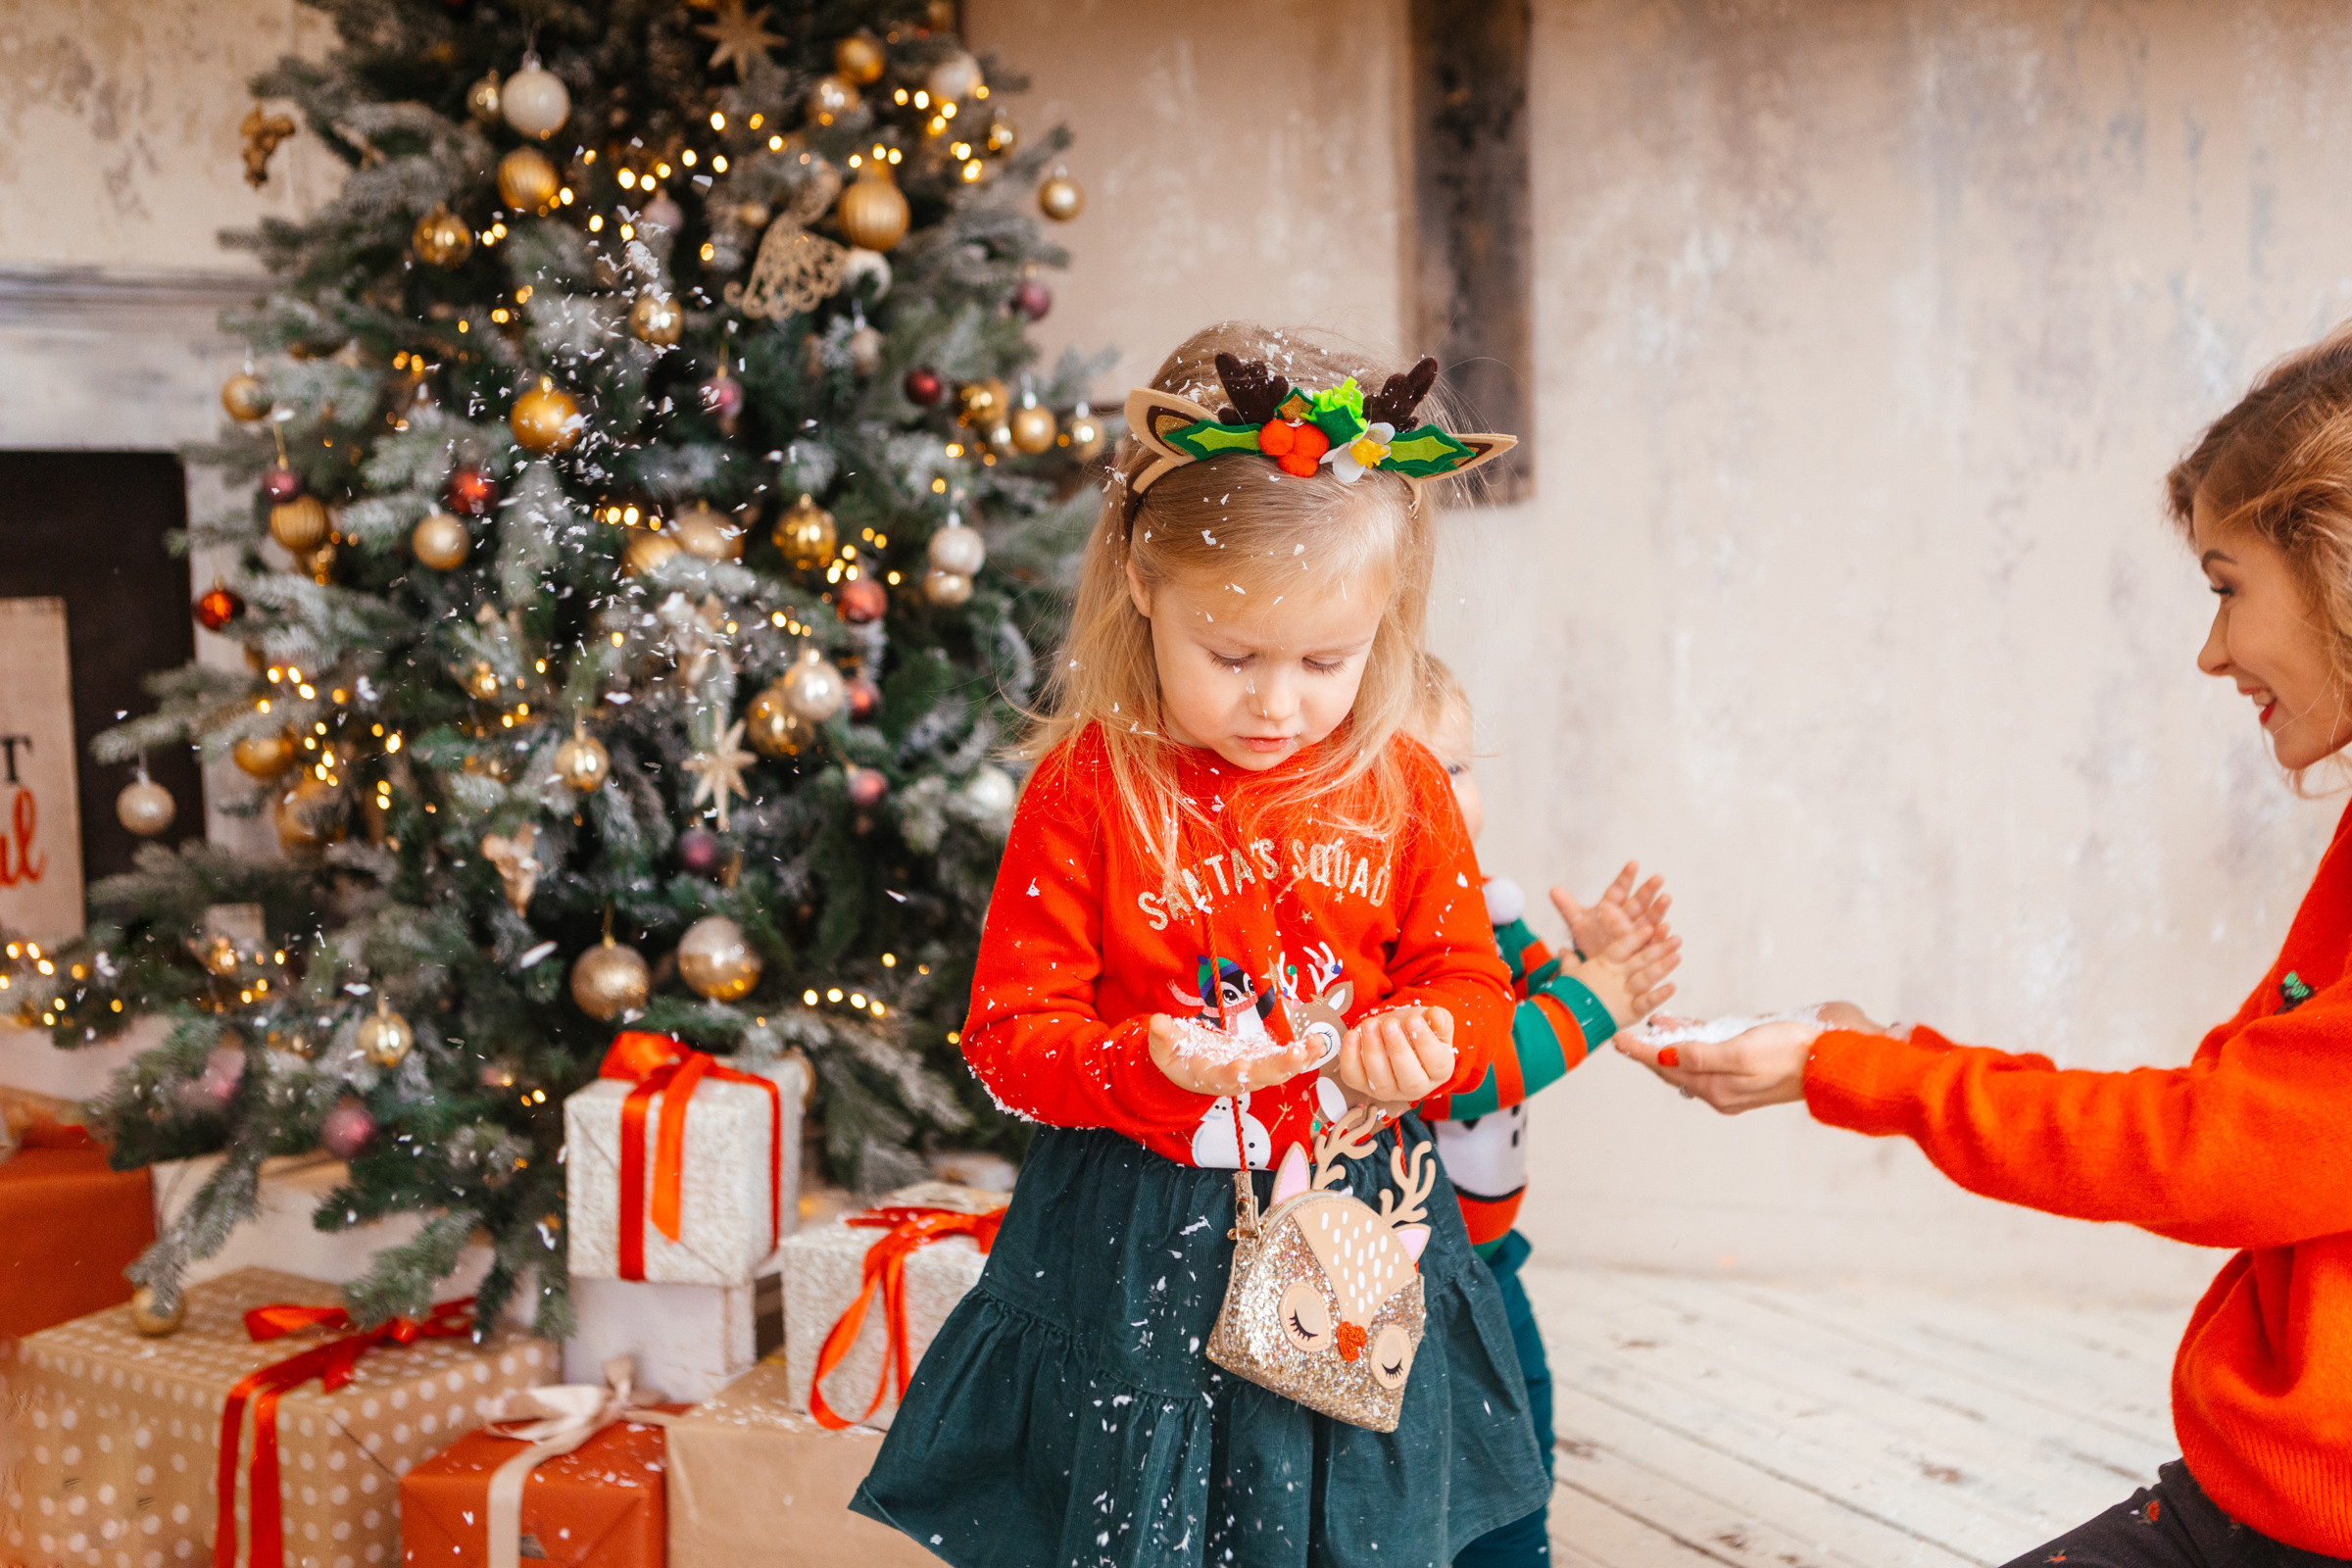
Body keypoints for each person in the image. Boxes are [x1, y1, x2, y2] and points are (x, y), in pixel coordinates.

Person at [1614, 327, 2352, 1566]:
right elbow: (2252, 1112)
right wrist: (1872, 1054)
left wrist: (1853, 1072)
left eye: (2227, 586)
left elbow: (2195, 1149)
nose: (2211, 650)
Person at [852, 324, 1553, 1567]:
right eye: (1232, 657)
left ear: (1385, 620)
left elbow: (1470, 987)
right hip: (1139, 1257)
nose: (1277, 704)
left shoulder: (1399, 784)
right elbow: (1011, 1041)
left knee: (1357, 1524)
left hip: (1355, 1230)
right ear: (1139, 580)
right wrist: (1143, 1068)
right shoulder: (1087, 792)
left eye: (1327, 661)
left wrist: (1425, 1045)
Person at [1413, 658, 1682, 1568]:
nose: (1445, 798)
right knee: (1452, 1468)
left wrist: (1584, 965)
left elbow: (1533, 1005)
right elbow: (1475, 1071)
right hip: (1408, 1276)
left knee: (1522, 1437)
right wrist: (1597, 999)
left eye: (1454, 769)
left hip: (1489, 1256)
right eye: (1409, 775)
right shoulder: (1378, 934)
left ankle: (1517, 1543)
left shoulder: (1484, 911)